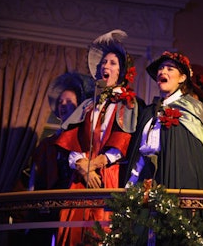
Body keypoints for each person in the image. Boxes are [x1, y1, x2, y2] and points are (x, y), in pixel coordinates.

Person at [54, 29, 142, 246]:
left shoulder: (127, 103)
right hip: (81, 176)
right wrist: (83, 166)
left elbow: (123, 141)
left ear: (121, 71)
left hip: (107, 175)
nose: (106, 66)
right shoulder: (88, 104)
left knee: (101, 229)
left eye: (112, 62)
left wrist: (94, 166)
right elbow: (71, 138)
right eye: (104, 62)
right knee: (73, 229)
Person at [125, 51, 203, 244]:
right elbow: (139, 149)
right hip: (145, 182)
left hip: (175, 182)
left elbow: (191, 155)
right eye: (160, 68)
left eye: (169, 68)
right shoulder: (149, 111)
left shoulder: (191, 108)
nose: (162, 72)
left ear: (182, 77)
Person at [25, 72, 93, 245]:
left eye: (69, 102)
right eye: (61, 102)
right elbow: (36, 179)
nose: (63, 105)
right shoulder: (47, 144)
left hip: (74, 206)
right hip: (47, 209)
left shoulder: (86, 138)